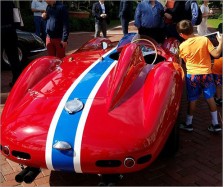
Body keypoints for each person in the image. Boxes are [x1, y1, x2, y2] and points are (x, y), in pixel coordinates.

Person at [176, 20, 223, 132]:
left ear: (181, 34)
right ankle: (215, 124)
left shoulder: (182, 46)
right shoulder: (204, 40)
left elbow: (182, 61)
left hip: (192, 75)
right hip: (206, 74)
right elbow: (216, 54)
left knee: (192, 99)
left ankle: (189, 124)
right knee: (210, 98)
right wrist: (221, 42)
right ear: (193, 29)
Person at [1, 1, 22, 86]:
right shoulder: (10, 3)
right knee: (14, 58)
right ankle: (17, 81)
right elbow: (18, 20)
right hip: (10, 32)